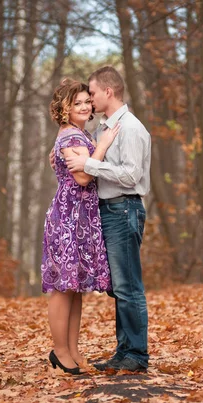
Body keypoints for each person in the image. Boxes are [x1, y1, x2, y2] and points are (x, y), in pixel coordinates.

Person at [65, 66, 151, 373]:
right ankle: (124, 351)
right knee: (119, 286)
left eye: (93, 92)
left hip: (125, 208)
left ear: (108, 92)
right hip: (109, 210)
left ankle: (137, 356)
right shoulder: (104, 129)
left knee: (128, 286)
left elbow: (131, 176)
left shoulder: (129, 128)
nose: (89, 98)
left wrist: (89, 164)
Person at [42, 78, 119, 375]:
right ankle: (59, 350)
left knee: (74, 288)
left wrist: (93, 151)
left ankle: (72, 350)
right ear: (64, 108)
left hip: (81, 217)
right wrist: (103, 146)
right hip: (68, 218)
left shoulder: (77, 134)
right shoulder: (71, 137)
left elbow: (82, 170)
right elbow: (84, 178)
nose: (86, 106)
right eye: (78, 103)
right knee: (63, 288)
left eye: (88, 101)